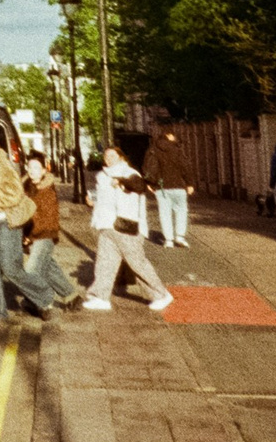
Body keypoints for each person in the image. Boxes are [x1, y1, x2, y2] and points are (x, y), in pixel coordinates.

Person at [83, 144, 173, 312]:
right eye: (106, 156)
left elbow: (139, 185)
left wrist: (121, 181)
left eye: (112, 156)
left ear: (121, 158)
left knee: (137, 263)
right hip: (107, 225)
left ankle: (161, 295)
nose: (108, 159)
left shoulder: (129, 173)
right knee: (105, 262)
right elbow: (106, 200)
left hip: (126, 227)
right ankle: (100, 297)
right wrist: (93, 203)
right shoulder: (102, 176)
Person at [0, 136, 52, 323]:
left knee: (11, 269)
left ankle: (44, 295)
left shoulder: (1, 164)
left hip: (8, 222)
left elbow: (14, 193)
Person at [22, 150, 83, 307]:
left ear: (43, 171)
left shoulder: (47, 191)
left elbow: (47, 221)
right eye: (29, 167)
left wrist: (30, 235)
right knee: (48, 267)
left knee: (31, 270)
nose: (31, 170)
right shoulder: (25, 187)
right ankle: (72, 296)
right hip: (31, 234)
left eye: (36, 167)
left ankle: (40, 301)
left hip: (44, 235)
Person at [143, 128, 192, 248]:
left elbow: (149, 168)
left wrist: (150, 183)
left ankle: (168, 240)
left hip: (161, 187)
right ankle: (180, 236)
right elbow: (185, 167)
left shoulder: (153, 150)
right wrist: (190, 183)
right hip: (179, 186)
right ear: (170, 136)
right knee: (181, 210)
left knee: (164, 213)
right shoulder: (177, 150)